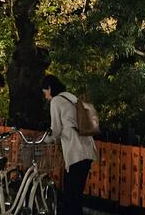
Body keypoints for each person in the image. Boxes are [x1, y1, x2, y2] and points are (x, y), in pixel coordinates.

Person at [42, 74, 96, 215]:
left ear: (49, 88)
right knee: (76, 194)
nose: (46, 96)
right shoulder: (71, 97)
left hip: (76, 152)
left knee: (71, 194)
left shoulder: (56, 101)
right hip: (88, 148)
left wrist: (43, 140)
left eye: (45, 92)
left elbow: (55, 130)